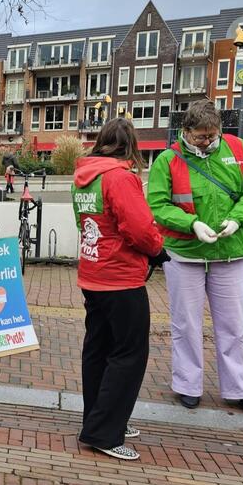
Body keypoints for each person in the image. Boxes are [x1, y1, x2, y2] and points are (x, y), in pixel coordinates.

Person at [147, 100, 243, 416]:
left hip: (231, 251)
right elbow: (158, 204)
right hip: (186, 253)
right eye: (201, 136)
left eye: (212, 135)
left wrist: (238, 218)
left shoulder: (237, 149)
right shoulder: (167, 160)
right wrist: (192, 223)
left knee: (235, 324)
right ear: (185, 132)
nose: (207, 141)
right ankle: (188, 385)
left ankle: (241, 388)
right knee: (185, 323)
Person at [72, 118, 166, 461]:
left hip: (92, 272)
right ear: (131, 146)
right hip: (121, 276)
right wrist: (157, 250)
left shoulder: (84, 178)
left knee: (97, 349)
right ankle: (105, 432)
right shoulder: (120, 177)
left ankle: (97, 418)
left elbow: (80, 222)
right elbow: (139, 227)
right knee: (128, 354)